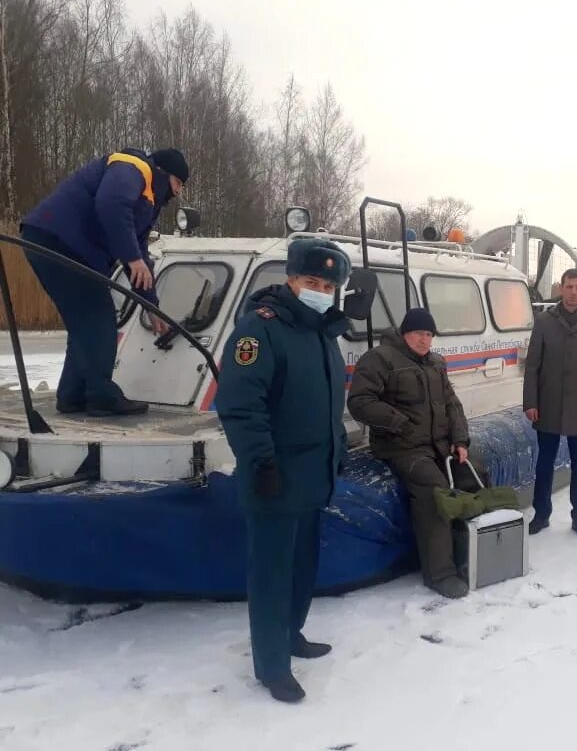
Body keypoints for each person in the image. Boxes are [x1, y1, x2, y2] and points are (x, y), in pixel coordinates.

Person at [216, 238, 350, 703]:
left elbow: (328, 404)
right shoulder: (261, 330)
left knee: (302, 565)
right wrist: (261, 462)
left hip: (314, 475)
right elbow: (239, 405)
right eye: (312, 281)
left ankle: (292, 634)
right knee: (272, 573)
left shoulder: (323, 332)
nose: (320, 289)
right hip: (276, 475)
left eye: (328, 284)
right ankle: (272, 666)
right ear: (291, 280)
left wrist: (340, 447)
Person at [19, 147, 188, 416]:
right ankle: (101, 397)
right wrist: (131, 258)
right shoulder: (133, 167)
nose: (178, 193)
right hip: (58, 241)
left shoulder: (146, 201)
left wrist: (150, 304)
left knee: (84, 323)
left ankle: (72, 395)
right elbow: (110, 203)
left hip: (56, 242)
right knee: (99, 318)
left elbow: (140, 253)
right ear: (164, 173)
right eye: (178, 183)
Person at [347, 307, 478, 599]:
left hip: (440, 444)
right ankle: (440, 573)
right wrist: (399, 423)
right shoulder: (379, 359)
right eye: (419, 333)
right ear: (405, 333)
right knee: (435, 489)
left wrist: (460, 440)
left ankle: (471, 554)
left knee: (475, 473)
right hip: (402, 446)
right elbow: (360, 401)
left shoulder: (436, 363)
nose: (425, 340)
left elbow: (452, 404)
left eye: (429, 334)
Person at [523, 268, 577, 538]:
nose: (573, 292)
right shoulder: (544, 321)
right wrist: (530, 402)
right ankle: (541, 513)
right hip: (548, 404)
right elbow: (533, 366)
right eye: (569, 287)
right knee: (544, 462)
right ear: (561, 288)